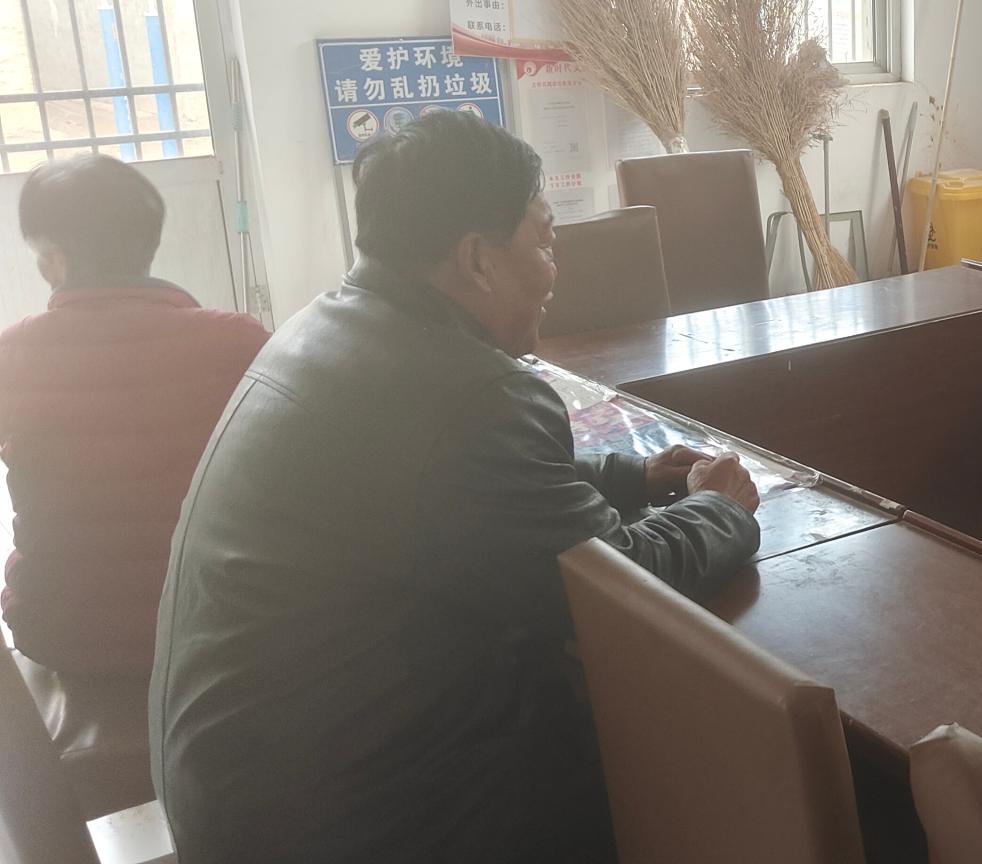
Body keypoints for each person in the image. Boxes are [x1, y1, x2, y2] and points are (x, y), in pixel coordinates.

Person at [150, 112, 763, 863]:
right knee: (692, 774)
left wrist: (628, 475)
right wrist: (718, 509)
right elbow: (618, 595)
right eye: (544, 240)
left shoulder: (325, 328)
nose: (554, 269)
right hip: (356, 823)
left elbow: (451, 493)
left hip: (243, 798)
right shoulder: (470, 395)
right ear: (477, 259)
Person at [0, 155, 268, 678]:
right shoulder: (238, 341)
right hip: (217, 626)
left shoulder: (11, 356)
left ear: (54, 260)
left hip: (62, 631)